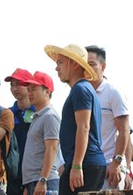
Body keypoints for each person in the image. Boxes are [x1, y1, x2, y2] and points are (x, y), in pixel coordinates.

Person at [44, 43, 106, 195]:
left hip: (85, 165)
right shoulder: (84, 89)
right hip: (86, 163)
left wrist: (77, 165)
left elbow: (84, 127)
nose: (56, 68)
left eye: (60, 62)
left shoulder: (80, 89)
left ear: (74, 64)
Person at [85, 45, 130, 190]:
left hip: (109, 169)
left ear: (103, 66)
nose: (88, 69)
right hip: (90, 168)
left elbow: (124, 131)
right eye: (84, 65)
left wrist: (116, 163)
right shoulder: (82, 94)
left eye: (92, 64)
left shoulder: (113, 93)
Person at [20, 70, 62, 195]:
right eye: (29, 89)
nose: (30, 93)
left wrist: (43, 180)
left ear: (47, 91)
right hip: (33, 181)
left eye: (34, 89)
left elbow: (52, 149)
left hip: (45, 182)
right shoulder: (38, 116)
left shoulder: (50, 116)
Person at [4, 68, 36, 195]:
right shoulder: (7, 114)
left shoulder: (39, 112)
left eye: (19, 84)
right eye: (12, 85)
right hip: (12, 174)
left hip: (34, 173)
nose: (15, 88)